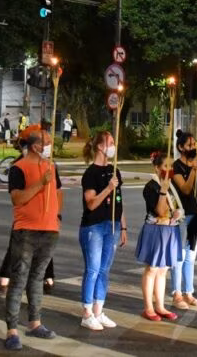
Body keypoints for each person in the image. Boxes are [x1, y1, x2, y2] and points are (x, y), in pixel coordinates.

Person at [3, 129, 61, 350]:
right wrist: (40, 184)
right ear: (36, 146)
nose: (50, 146)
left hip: (49, 230)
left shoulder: (51, 166)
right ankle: (12, 330)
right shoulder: (18, 168)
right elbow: (17, 199)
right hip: (26, 231)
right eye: (47, 142)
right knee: (18, 279)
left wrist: (57, 217)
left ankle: (35, 323)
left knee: (37, 278)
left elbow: (58, 193)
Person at [79, 131, 127, 330]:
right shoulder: (90, 174)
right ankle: (87, 313)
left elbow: (119, 202)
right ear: (100, 147)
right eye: (110, 142)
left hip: (112, 224)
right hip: (94, 226)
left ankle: (99, 310)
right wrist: (107, 189)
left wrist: (122, 226)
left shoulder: (115, 171)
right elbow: (91, 204)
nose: (113, 146)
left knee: (104, 270)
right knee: (93, 269)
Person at [137, 151, 184, 321]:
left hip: (170, 229)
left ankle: (160, 306)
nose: (169, 169)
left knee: (164, 269)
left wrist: (178, 212)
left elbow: (176, 206)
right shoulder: (151, 187)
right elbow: (159, 210)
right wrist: (163, 191)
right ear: (157, 168)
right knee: (152, 269)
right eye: (165, 166)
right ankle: (148, 307)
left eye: (171, 166)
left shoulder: (170, 184)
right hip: (155, 230)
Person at [170, 131, 197, 310]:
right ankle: (177, 294)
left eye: (194, 145)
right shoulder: (176, 167)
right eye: (189, 145)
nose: (193, 148)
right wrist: (192, 170)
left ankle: (189, 292)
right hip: (182, 215)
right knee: (180, 256)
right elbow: (185, 189)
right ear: (180, 147)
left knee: (190, 256)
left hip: (196, 214)